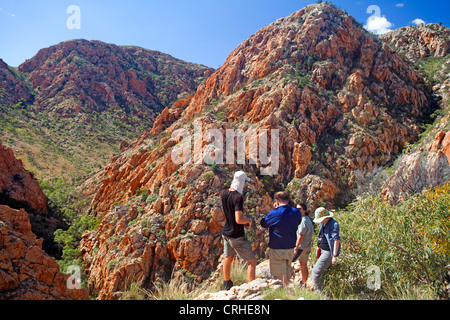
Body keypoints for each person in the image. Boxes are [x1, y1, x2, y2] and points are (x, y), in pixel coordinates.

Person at [221, 171, 257, 290]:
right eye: (245, 182)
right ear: (242, 182)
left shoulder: (224, 193)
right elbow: (239, 219)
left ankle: (226, 283)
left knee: (228, 258)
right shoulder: (238, 197)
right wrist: (249, 220)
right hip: (236, 235)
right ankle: (252, 288)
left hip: (226, 232)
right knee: (252, 261)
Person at [260, 192, 302, 286]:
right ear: (287, 200)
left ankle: (288, 292)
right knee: (287, 271)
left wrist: (275, 210)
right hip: (291, 247)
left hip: (278, 248)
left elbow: (264, 223)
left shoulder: (274, 213)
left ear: (277, 201)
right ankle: (289, 290)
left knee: (280, 274)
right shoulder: (296, 212)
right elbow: (298, 222)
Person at [311, 207, 341, 292]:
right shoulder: (323, 223)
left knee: (316, 271)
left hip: (328, 252)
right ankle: (326, 292)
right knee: (323, 273)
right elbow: (322, 236)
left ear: (325, 217)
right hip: (322, 250)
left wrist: (334, 256)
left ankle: (319, 294)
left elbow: (336, 240)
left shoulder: (333, 224)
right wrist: (318, 246)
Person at [293, 203, 314, 288]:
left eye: (300, 209)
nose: (298, 210)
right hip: (307, 247)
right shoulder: (308, 219)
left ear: (304, 210)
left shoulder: (303, 221)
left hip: (301, 247)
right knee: (303, 265)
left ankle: (284, 284)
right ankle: (303, 283)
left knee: (287, 262)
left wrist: (296, 248)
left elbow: (301, 236)